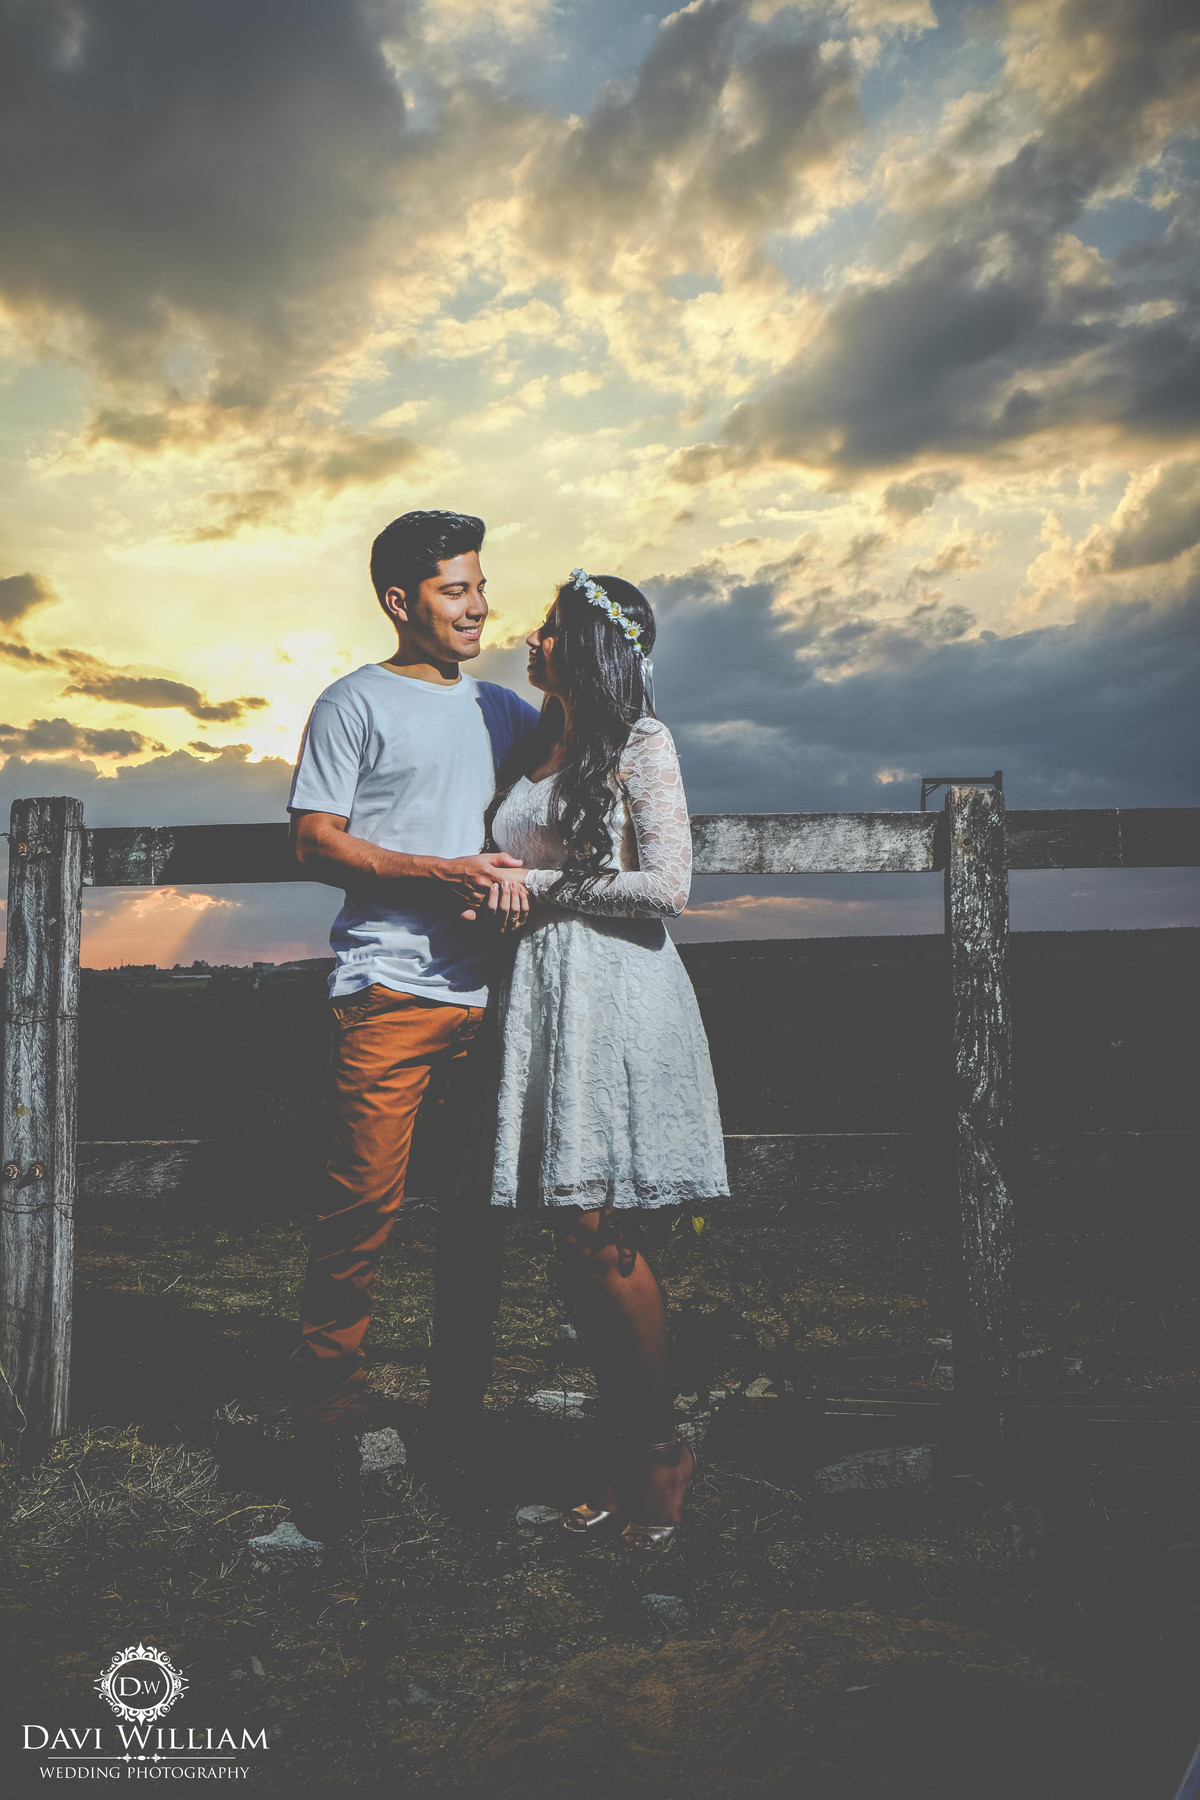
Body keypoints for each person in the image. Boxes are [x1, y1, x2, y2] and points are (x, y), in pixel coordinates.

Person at [459, 568, 730, 1550]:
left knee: (598, 1227)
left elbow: (667, 883)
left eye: (547, 629)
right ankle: (626, 1453)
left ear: (587, 649)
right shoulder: (542, 746)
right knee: (574, 1239)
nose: (528, 640)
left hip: (616, 996)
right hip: (543, 993)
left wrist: (539, 884)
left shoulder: (640, 743)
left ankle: (661, 1453)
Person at [284, 508, 538, 1541]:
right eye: (453, 590)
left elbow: (568, 795)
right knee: (360, 1226)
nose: (478, 606)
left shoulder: (508, 713)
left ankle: (457, 1437)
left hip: (497, 1000)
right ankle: (327, 1454)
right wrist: (441, 873)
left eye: (480, 586)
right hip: (389, 992)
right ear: (401, 600)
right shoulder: (352, 703)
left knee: (479, 1231)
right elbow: (316, 840)